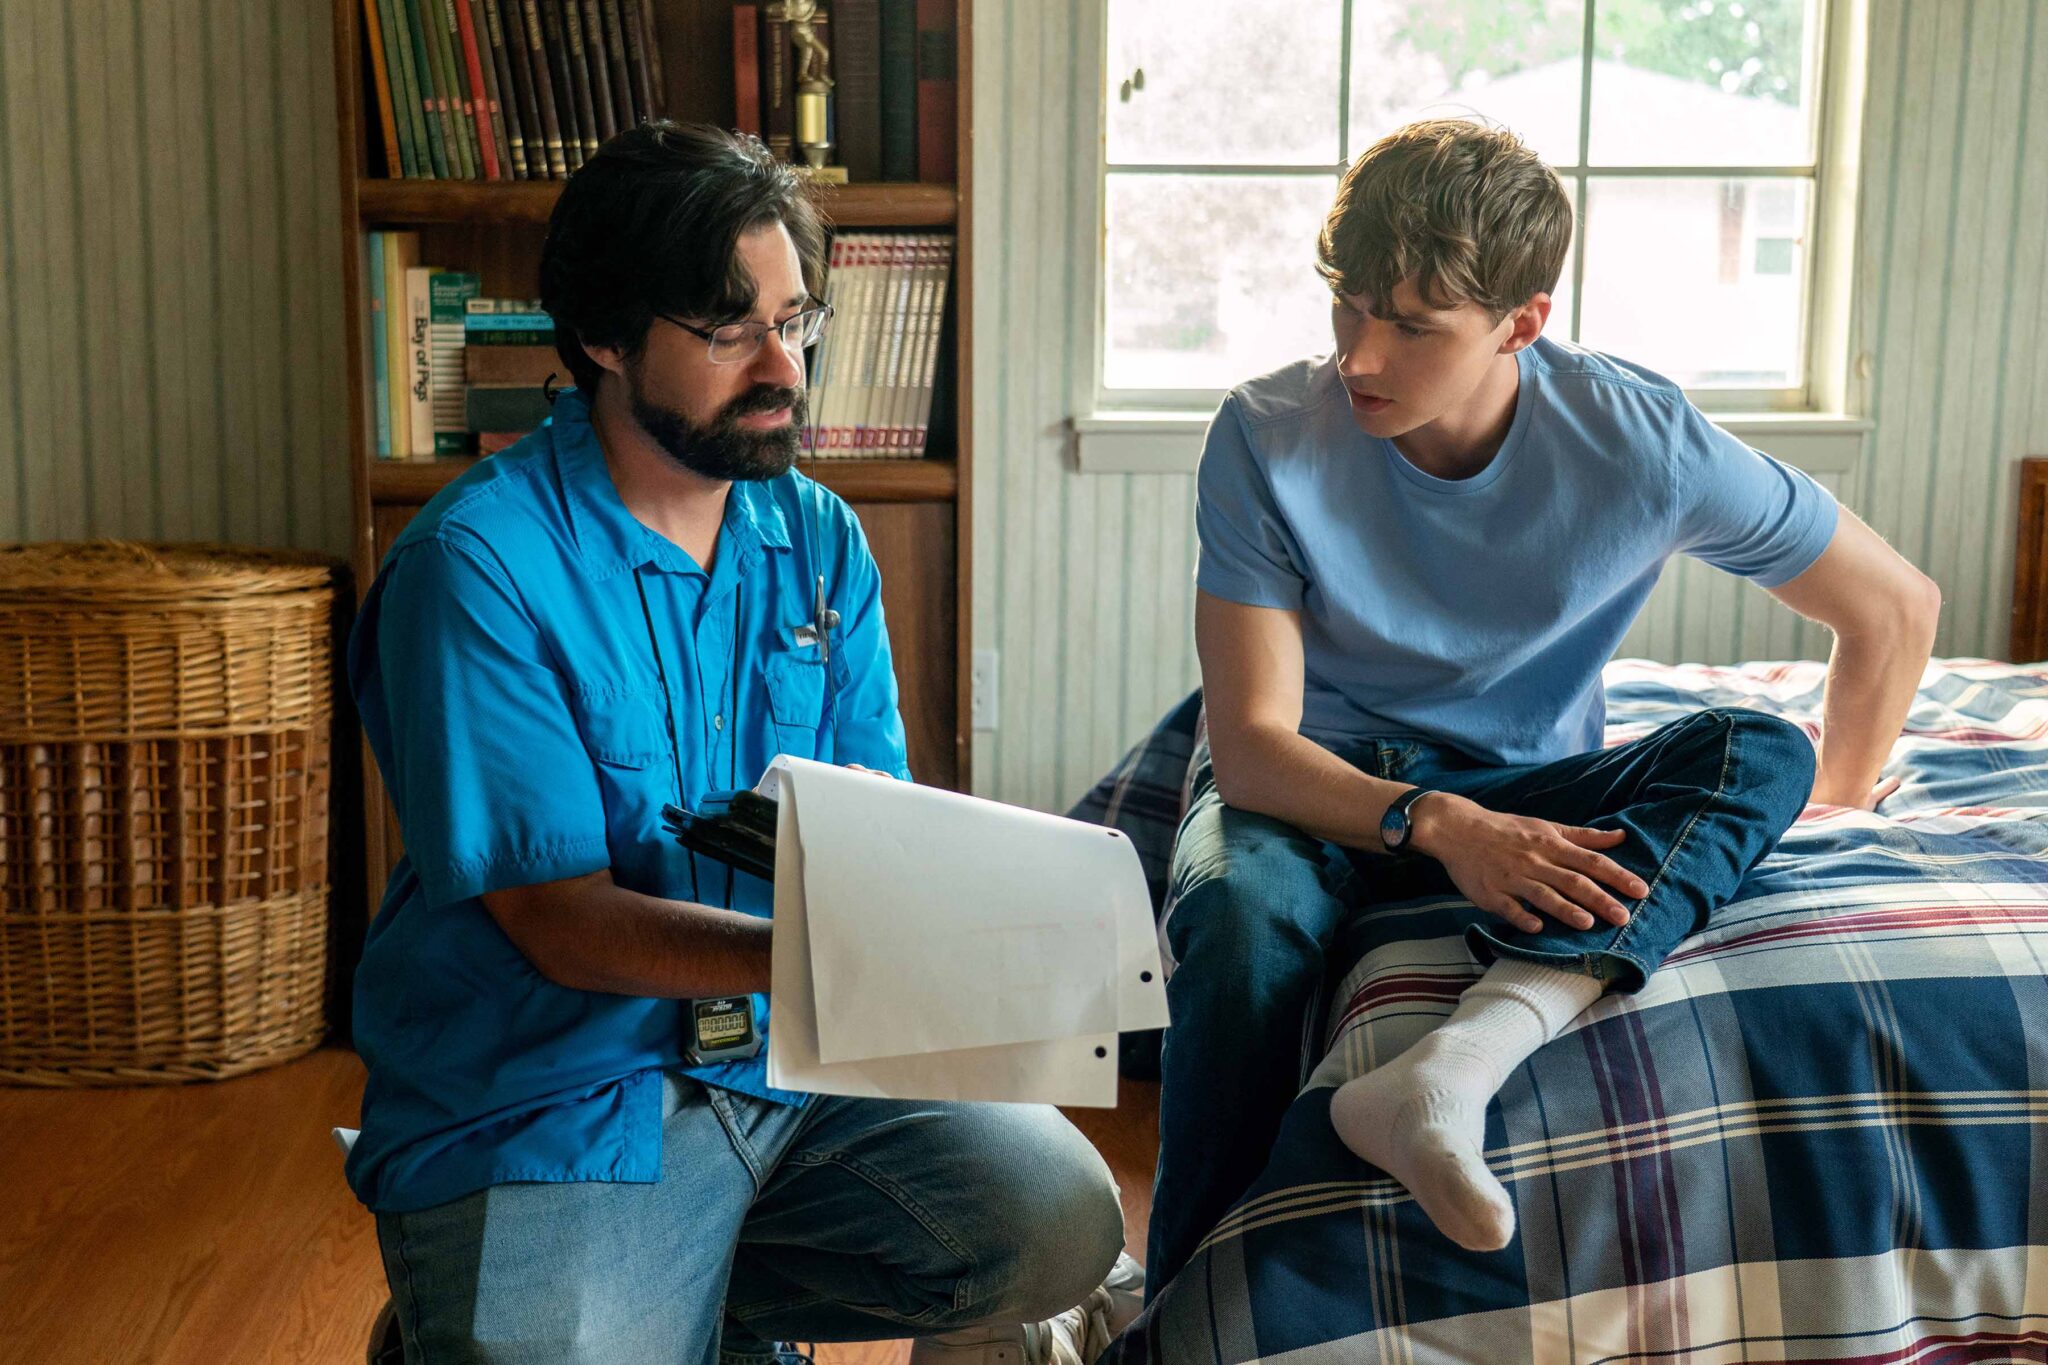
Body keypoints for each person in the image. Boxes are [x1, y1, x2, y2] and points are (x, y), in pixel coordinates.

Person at [344, 120, 1135, 1364]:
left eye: (794, 317)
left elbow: (868, 826)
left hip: (790, 1070)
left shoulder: (814, 537)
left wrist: (982, 940)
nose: (782, 365)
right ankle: (480, 1304)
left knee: (1055, 1219)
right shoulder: (477, 568)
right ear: (605, 335)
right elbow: (558, 920)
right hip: (558, 1092)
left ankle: (668, 1297)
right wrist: (830, 959)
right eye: (728, 328)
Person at [1148, 118, 1941, 1288]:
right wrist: (1442, 825)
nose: (1359, 356)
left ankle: (1454, 1067)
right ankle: (1176, 1295)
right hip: (1319, 786)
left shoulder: (1639, 440)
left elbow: (1893, 608)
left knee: (1757, 751)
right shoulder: (1265, 433)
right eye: (1345, 305)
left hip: (1526, 779)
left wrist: (1818, 809)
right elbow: (1253, 750)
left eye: (1410, 325)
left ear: (1522, 320)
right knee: (1235, 921)